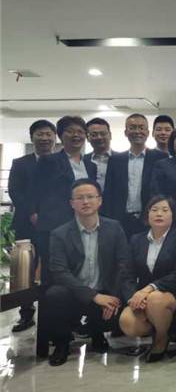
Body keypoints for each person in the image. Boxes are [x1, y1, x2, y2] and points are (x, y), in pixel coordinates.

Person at [44, 179, 128, 366]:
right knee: (55, 294)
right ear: (71, 203)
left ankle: (97, 333)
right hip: (75, 293)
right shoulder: (59, 234)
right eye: (80, 198)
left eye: (90, 196)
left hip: (105, 291)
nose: (85, 201)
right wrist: (94, 296)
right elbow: (59, 271)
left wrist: (113, 296)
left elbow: (123, 265)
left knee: (122, 307)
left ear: (100, 200)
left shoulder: (114, 228)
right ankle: (62, 343)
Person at [118, 195, 176, 362]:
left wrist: (149, 288)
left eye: (165, 210)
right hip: (144, 297)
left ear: (173, 215)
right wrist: (133, 297)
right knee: (127, 321)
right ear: (147, 214)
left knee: (156, 299)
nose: (159, 214)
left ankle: (161, 337)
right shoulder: (136, 240)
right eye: (154, 210)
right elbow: (127, 274)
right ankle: (158, 327)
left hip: (174, 295)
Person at [30, 116, 97, 282]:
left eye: (80, 132)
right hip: (55, 224)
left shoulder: (90, 165)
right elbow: (35, 190)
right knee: (53, 271)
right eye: (70, 131)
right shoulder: (48, 161)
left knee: (78, 269)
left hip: (82, 224)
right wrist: (34, 213)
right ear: (60, 136)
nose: (76, 135)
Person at [9, 119, 56, 332]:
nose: (44, 138)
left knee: (52, 268)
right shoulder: (20, 163)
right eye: (40, 134)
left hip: (52, 225)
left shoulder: (60, 161)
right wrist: (32, 213)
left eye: (48, 134)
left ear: (54, 138)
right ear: (32, 137)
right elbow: (15, 192)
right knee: (24, 271)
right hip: (26, 225)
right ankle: (26, 315)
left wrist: (47, 215)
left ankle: (51, 312)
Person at [102, 113, 167, 238]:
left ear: (148, 132)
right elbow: (109, 192)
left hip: (150, 219)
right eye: (132, 128)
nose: (137, 131)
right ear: (126, 132)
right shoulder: (115, 160)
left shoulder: (160, 158)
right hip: (120, 221)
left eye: (141, 128)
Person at [85, 117, 115, 191]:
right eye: (94, 134)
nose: (99, 137)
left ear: (110, 135)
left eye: (103, 134)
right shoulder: (82, 161)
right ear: (88, 138)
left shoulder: (122, 160)